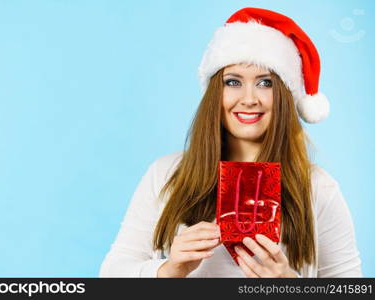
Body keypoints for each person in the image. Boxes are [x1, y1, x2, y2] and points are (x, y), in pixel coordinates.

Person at [99, 7, 362, 277]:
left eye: (265, 83)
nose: (249, 98)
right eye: (233, 81)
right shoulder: (165, 174)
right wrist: (169, 270)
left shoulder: (317, 188)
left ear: (284, 96)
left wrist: (289, 283)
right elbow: (111, 274)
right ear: (216, 93)